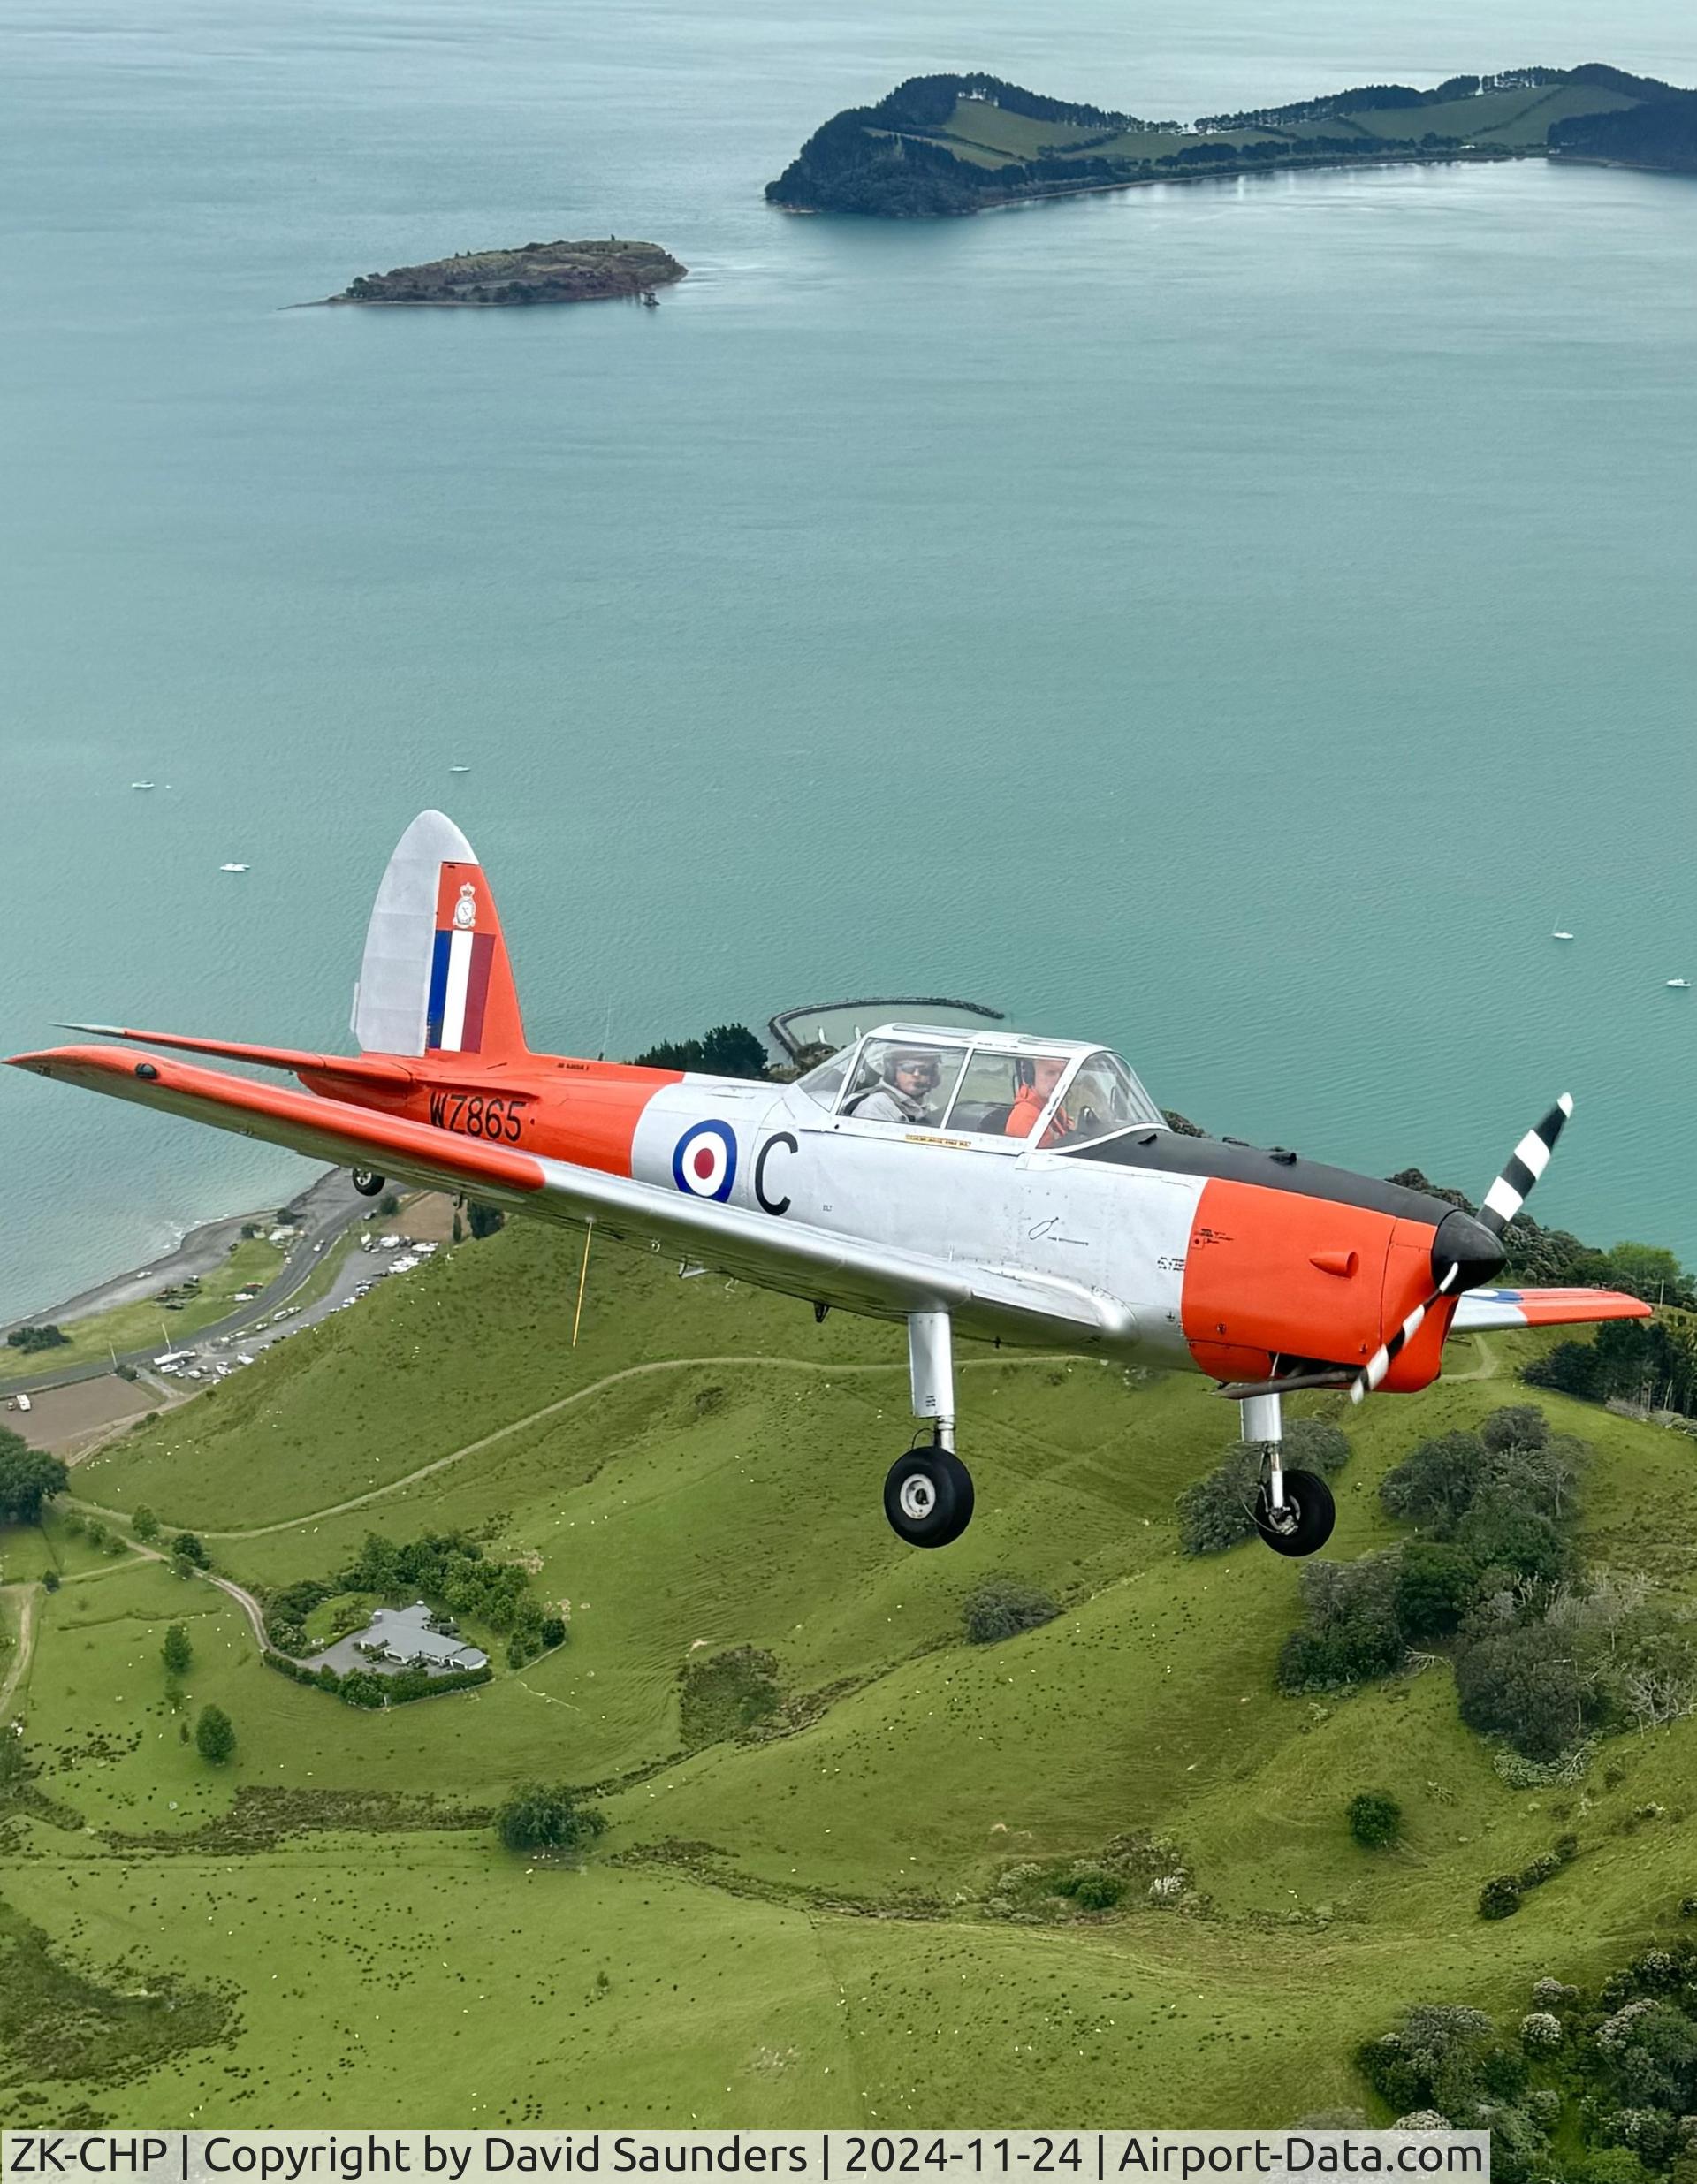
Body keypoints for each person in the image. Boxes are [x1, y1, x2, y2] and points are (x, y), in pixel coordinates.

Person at [845, 1048, 943, 1124]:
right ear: (892, 1071)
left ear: (933, 1076)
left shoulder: (929, 1109)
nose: (916, 1075)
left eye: (924, 1070)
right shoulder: (875, 1106)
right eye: (908, 1068)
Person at [1004, 1054, 1071, 1141]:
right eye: (1050, 1073)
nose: (1058, 1080)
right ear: (1030, 1075)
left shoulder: (1052, 1106)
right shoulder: (1025, 1117)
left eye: (1062, 1074)